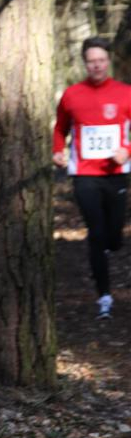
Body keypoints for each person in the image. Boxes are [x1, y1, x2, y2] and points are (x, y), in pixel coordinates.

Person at [53, 36, 130, 319]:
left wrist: (127, 150)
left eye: (101, 60)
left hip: (116, 174)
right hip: (84, 174)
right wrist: (58, 151)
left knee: (114, 237)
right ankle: (104, 296)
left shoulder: (125, 93)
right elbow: (60, 129)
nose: (96, 65)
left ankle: (112, 243)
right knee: (96, 234)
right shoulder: (72, 95)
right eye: (91, 61)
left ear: (108, 61)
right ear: (85, 63)